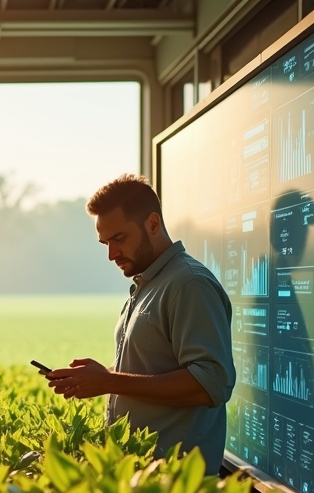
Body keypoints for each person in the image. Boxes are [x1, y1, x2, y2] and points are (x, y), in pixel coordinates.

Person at [45, 174, 235, 470]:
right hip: (141, 479)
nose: (111, 254)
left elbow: (210, 383)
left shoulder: (189, 284)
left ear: (153, 224)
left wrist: (108, 382)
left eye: (119, 239)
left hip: (175, 483)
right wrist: (99, 376)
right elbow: (151, 370)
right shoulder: (150, 283)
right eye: (105, 243)